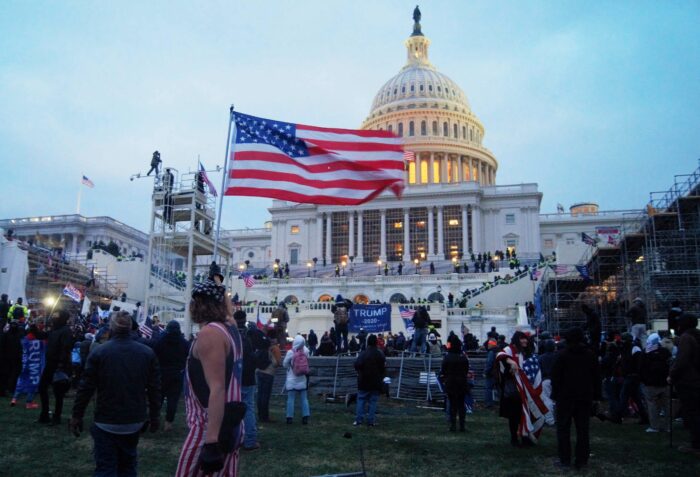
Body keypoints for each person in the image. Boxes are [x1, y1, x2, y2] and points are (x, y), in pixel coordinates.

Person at [71, 311, 161, 476]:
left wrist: (77, 415)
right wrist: (155, 416)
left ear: (111, 327)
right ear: (130, 328)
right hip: (133, 420)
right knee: (128, 466)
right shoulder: (146, 353)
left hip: (106, 420)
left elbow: (86, 388)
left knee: (106, 468)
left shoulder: (99, 352)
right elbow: (155, 389)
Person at [176, 280, 243, 477]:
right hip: (231, 422)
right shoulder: (230, 328)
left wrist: (211, 441)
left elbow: (217, 388)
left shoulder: (210, 333)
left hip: (207, 426)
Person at [551, 327, 600, 470]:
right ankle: (581, 460)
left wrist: (555, 394)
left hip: (565, 398)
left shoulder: (562, 355)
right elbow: (596, 377)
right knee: (583, 430)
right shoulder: (590, 355)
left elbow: (555, 377)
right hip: (584, 397)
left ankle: (565, 460)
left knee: (563, 429)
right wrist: (596, 396)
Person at [496, 331, 548, 447]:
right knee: (514, 416)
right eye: (522, 339)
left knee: (526, 414)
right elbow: (500, 356)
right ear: (516, 340)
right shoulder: (510, 350)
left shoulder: (529, 351)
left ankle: (525, 436)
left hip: (528, 389)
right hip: (515, 390)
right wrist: (512, 362)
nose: (525, 341)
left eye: (526, 339)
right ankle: (514, 437)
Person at [668, 313, 700, 454]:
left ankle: (696, 445)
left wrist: (672, 375)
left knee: (693, 413)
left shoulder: (686, 338)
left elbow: (682, 361)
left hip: (689, 381)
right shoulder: (696, 336)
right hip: (697, 378)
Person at [37, 310, 74, 425]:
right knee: (42, 388)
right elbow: (43, 335)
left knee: (58, 393)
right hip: (50, 364)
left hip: (59, 365)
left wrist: (61, 365)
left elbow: (66, 348)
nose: (53, 318)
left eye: (56, 316)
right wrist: (34, 327)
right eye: (53, 316)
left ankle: (56, 417)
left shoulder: (66, 331)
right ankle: (44, 415)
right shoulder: (54, 329)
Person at [152, 320, 189, 432]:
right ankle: (169, 423)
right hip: (177, 374)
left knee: (159, 398)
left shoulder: (160, 341)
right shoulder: (184, 343)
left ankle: (155, 420)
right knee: (173, 399)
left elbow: (155, 356)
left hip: (162, 373)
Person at [233, 310, 259, 451]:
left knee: (233, 409)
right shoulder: (251, 334)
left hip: (234, 377)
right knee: (248, 408)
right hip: (248, 377)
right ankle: (249, 440)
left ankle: (234, 439)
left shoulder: (230, 335)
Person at [639, 333, 671, 433]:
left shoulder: (645, 353)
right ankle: (668, 427)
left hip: (650, 384)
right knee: (667, 406)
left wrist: (644, 380)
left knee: (652, 405)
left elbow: (641, 368)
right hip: (665, 383)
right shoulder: (666, 352)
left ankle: (654, 426)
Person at [353, 334, 386, 427]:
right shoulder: (380, 354)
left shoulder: (363, 354)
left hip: (363, 381)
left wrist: (360, 372)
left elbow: (356, 364)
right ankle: (370, 421)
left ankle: (358, 420)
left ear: (367, 343)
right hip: (376, 382)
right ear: (376, 342)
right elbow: (383, 368)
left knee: (361, 400)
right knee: (373, 402)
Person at [440, 335, 469, 432]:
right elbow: (466, 370)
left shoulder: (447, 357)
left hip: (451, 381)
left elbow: (443, 370)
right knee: (461, 404)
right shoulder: (463, 357)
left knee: (452, 404)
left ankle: (453, 425)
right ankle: (462, 425)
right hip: (462, 381)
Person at [11, 324, 45, 408]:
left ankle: (14, 399)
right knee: (33, 382)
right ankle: (29, 403)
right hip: (34, 365)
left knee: (21, 381)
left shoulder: (23, 340)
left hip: (24, 364)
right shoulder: (39, 343)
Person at [283, 335, 311, 424]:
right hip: (302, 378)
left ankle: (289, 417)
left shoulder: (290, 352)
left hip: (292, 378)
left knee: (291, 399)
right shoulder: (306, 351)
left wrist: (290, 367)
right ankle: (305, 416)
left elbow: (284, 364)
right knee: (304, 398)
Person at [256, 328, 281, 423]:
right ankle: (265, 417)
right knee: (266, 395)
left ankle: (260, 415)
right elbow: (277, 362)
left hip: (259, 371)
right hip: (268, 373)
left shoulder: (263, 344)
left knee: (260, 394)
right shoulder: (274, 347)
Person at [483, 339, 498, 409]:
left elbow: (489, 363)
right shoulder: (497, 351)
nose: (488, 345)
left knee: (488, 389)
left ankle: (489, 404)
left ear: (492, 344)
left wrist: (485, 372)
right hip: (496, 374)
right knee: (498, 389)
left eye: (489, 343)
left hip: (490, 374)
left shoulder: (491, 352)